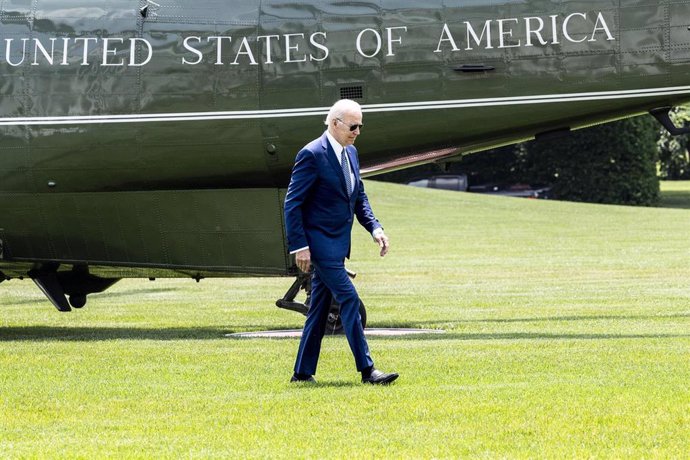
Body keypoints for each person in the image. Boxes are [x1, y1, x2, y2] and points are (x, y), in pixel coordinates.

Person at [284, 99, 399, 385]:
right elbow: (292, 203)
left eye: (360, 125)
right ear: (334, 123)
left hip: (338, 246)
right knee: (348, 298)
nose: (358, 131)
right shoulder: (311, 154)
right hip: (320, 246)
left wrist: (375, 228)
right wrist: (300, 245)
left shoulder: (352, 153)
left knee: (319, 309)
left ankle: (301, 373)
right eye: (353, 125)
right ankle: (368, 370)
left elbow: (358, 196)